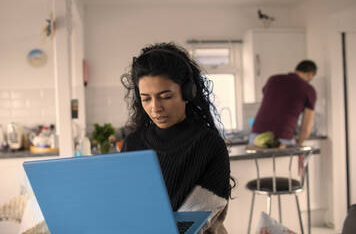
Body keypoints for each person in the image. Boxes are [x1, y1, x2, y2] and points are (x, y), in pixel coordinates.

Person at [120, 42, 232, 233]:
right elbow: (126, 203)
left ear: (188, 92)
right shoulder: (133, 144)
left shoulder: (209, 144)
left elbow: (197, 216)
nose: (155, 108)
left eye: (165, 96)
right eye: (146, 98)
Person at [249, 60, 317, 146]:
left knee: (255, 160)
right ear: (310, 74)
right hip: (281, 138)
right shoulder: (308, 89)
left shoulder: (273, 79)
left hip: (256, 136)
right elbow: (306, 128)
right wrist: (299, 144)